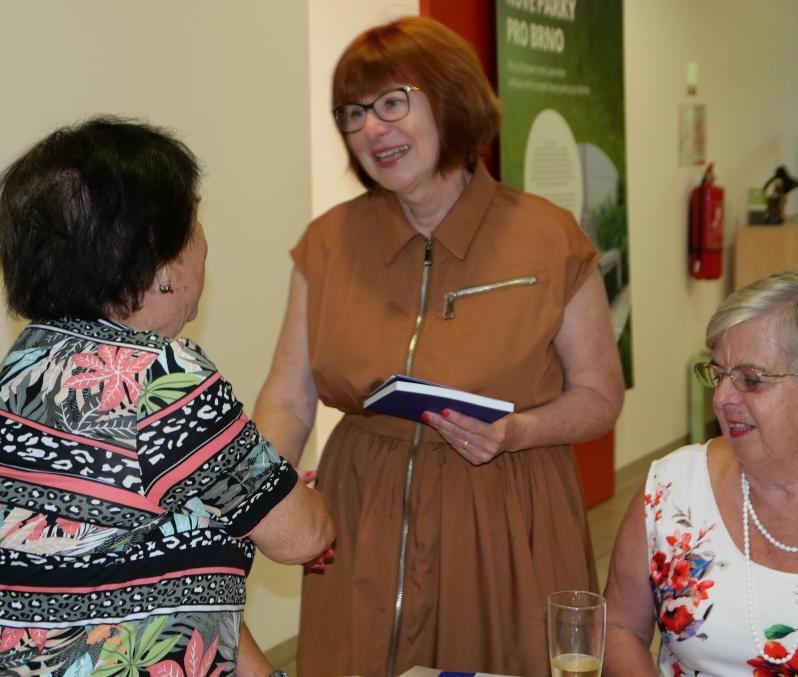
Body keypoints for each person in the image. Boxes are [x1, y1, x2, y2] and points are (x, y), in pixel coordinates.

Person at [253, 16, 624, 677]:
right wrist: (264, 493)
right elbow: (288, 397)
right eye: (353, 113)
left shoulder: (548, 237)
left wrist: (518, 431)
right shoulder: (328, 244)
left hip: (504, 508)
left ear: (451, 100)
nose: (372, 128)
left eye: (392, 103)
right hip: (362, 512)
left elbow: (598, 395)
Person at [0, 117, 334, 677]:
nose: (204, 242)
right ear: (158, 260)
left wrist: (255, 486)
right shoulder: (161, 375)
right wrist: (291, 495)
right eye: (194, 221)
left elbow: (153, 566)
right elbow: (303, 537)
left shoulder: (24, 363)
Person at [604, 272, 798, 676]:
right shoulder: (672, 490)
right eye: (719, 374)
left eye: (751, 380)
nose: (722, 398)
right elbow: (619, 627)